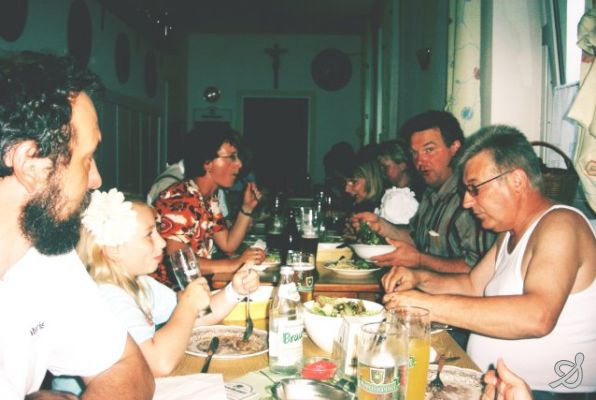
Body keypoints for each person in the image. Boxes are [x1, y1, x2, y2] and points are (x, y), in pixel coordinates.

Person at [382, 125, 596, 396]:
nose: (466, 202)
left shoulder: (561, 224)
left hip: (545, 393)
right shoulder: (509, 232)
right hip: (492, 386)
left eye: (474, 188)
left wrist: (425, 306)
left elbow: (537, 316)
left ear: (517, 181)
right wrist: (419, 278)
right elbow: (473, 285)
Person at [0, 52, 154, 398]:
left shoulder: (43, 253)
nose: (96, 179)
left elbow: (127, 367)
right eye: (87, 159)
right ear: (30, 164)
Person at [53, 189, 259, 394]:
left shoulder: (141, 283)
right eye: (149, 235)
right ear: (114, 249)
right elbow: (158, 363)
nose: (162, 242)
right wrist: (188, 304)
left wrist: (235, 291)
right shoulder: (106, 296)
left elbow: (194, 319)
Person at [355, 110, 495, 274]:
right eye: (414, 153)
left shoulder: (468, 200)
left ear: (455, 148)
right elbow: (416, 238)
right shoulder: (431, 193)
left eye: (429, 150)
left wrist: (420, 260)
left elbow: (478, 267)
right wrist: (381, 226)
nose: (420, 161)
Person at [152, 127, 266, 286]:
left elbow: (228, 244)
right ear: (207, 163)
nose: (239, 164)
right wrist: (234, 263)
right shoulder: (181, 200)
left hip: (191, 287)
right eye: (231, 157)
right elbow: (179, 262)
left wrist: (247, 209)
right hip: (168, 293)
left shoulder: (208, 199)